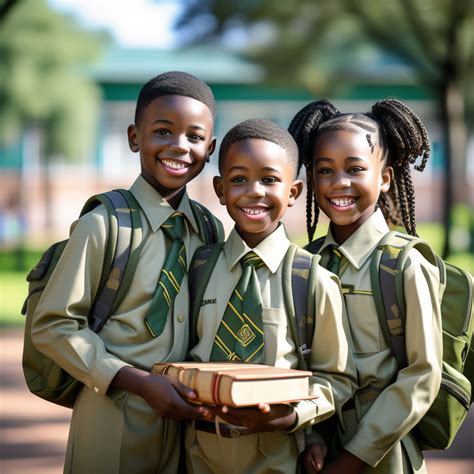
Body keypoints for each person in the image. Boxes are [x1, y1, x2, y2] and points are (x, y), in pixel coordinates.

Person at [31, 71, 225, 473]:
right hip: (112, 412)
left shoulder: (208, 228)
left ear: (210, 148)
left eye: (194, 136)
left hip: (184, 423)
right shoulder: (105, 223)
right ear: (135, 138)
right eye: (163, 132)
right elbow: (54, 325)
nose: (179, 146)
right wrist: (137, 383)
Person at [185, 118, 357, 474]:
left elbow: (338, 379)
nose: (254, 191)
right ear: (219, 189)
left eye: (269, 179)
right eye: (238, 179)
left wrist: (295, 416)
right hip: (199, 454)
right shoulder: (198, 268)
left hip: (277, 457)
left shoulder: (312, 279)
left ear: (293, 192)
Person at [288, 99, 443, 473]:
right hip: (321, 451)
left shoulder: (403, 263)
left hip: (385, 453)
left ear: (385, 177)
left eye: (355, 169)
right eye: (325, 170)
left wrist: (354, 458)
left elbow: (423, 376)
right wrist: (311, 437)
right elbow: (300, 361)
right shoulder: (304, 265)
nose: (339, 182)